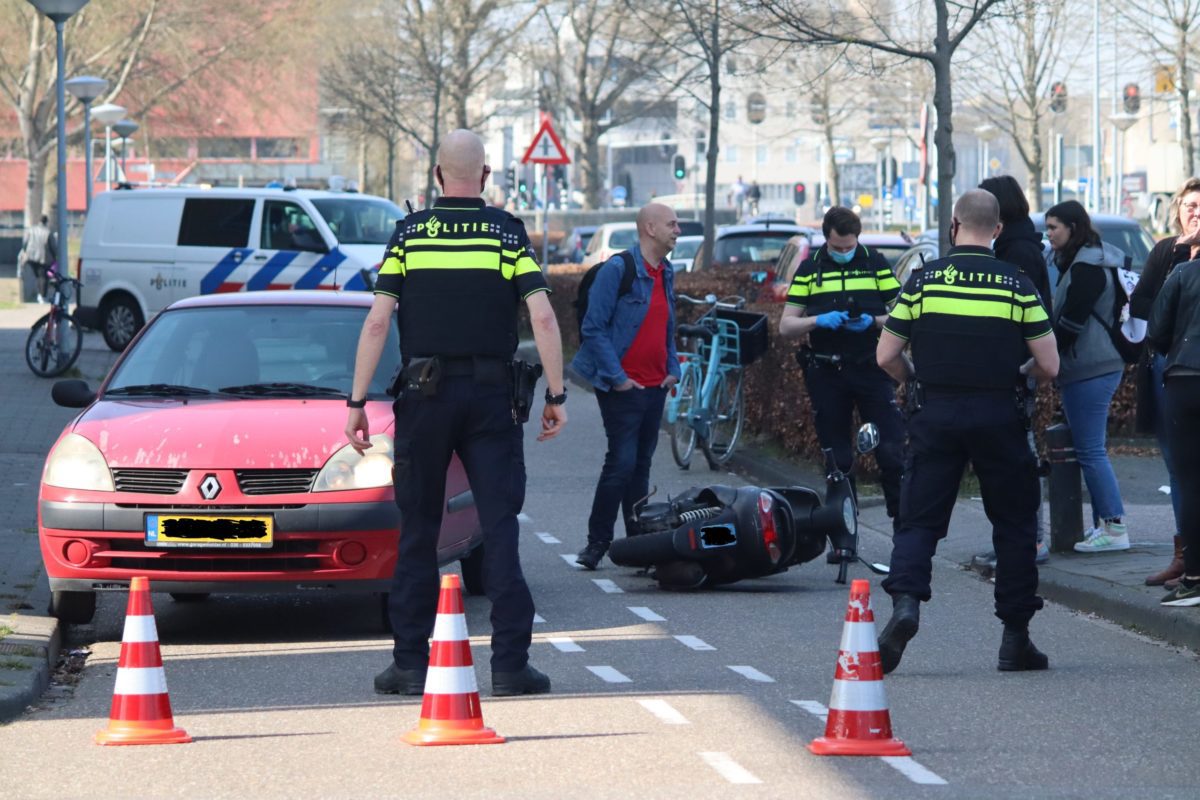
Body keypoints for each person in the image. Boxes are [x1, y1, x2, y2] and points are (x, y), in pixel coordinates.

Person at [345, 129, 568, 697]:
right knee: (499, 528)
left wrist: (355, 402)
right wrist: (557, 397)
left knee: (418, 529)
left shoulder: (409, 237)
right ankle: (511, 666)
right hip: (493, 399)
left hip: (425, 397)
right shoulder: (506, 234)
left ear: (437, 177)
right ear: (486, 176)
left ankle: (410, 664)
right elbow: (542, 318)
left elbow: (376, 322)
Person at [875, 189, 1059, 674]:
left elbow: (885, 356)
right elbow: (1049, 363)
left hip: (935, 414)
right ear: (997, 230)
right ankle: (1015, 639)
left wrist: (913, 380)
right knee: (1014, 524)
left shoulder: (922, 282)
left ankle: (907, 605)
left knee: (918, 520)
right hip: (1000, 415)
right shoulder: (1017, 284)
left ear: (954, 227)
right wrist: (1021, 377)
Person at [779, 206, 905, 533]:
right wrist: (817, 320)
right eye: (838, 248)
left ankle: (904, 526)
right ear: (826, 240)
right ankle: (843, 531)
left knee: (891, 449)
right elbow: (786, 325)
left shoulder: (876, 263)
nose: (845, 253)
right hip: (826, 372)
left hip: (870, 368)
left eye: (850, 247)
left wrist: (874, 321)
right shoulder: (809, 269)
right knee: (838, 458)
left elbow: (903, 314)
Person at [572, 203, 682, 570]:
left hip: (655, 386)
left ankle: (638, 542)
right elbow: (593, 327)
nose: (677, 230)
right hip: (623, 387)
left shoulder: (666, 271)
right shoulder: (619, 270)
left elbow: (667, 324)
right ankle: (597, 543)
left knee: (641, 464)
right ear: (650, 228)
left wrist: (673, 366)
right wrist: (619, 379)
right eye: (672, 224)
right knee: (621, 462)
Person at [974, 175, 1052, 567]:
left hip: (1015, 368)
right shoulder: (1016, 245)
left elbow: (1026, 317)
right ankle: (1016, 539)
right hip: (1013, 365)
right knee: (1011, 456)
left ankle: (1031, 540)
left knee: (1020, 457)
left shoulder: (1016, 252)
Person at [1045, 200, 1129, 552]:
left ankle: (1113, 528)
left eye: (1054, 228)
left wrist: (1044, 357)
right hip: (1095, 364)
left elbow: (1070, 324)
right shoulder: (1087, 260)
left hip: (1091, 366)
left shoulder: (1087, 268)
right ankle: (1106, 526)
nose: (1048, 235)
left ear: (1073, 228)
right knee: (1091, 448)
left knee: (1091, 450)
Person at [1130, 178, 1199, 587]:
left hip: (1190, 368)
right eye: (1190, 205)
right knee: (1177, 465)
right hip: (1167, 366)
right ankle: (1184, 554)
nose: (1195, 213)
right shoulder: (1165, 251)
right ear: (1178, 209)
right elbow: (1139, 302)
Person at [1147, 251, 1200, 606]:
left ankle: (1194, 578)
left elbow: (1157, 331)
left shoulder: (1184, 272)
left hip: (1186, 378)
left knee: (1191, 480)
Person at [19, 215, 56, 303]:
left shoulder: (31, 230)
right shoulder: (48, 232)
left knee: (37, 276)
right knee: (43, 277)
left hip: (31, 257)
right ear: (46, 222)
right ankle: (42, 295)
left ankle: (38, 294)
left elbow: (25, 243)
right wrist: (55, 257)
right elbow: (53, 247)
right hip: (43, 258)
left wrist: (25, 252)